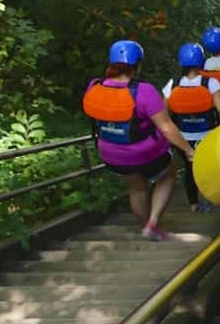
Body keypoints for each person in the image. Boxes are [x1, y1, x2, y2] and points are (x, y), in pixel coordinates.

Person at [82, 40, 196, 241]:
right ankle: (152, 223)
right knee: (169, 172)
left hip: (111, 154)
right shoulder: (144, 91)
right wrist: (188, 150)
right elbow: (167, 127)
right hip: (145, 153)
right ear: (137, 65)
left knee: (136, 187)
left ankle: (146, 227)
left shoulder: (94, 87)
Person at [162, 43, 220, 212]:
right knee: (209, 166)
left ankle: (193, 204)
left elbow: (164, 113)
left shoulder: (173, 84)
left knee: (189, 169)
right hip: (206, 136)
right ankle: (214, 198)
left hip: (183, 138)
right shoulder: (211, 83)